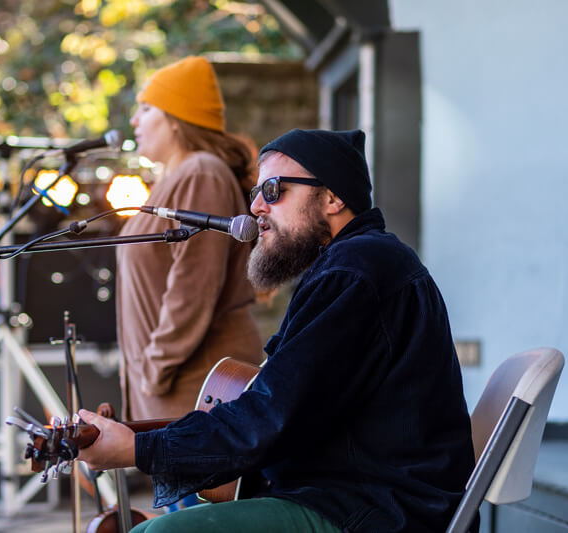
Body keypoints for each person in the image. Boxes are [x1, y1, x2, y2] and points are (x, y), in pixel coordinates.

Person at [78, 129, 477, 532]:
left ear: (332, 197)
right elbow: (291, 406)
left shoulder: (355, 270)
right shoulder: (356, 264)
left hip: (375, 511)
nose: (254, 207)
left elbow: (273, 415)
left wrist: (138, 449)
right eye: (255, 192)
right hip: (355, 498)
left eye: (272, 190)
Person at [116, 55, 263, 426]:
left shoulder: (201, 173)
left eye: (146, 109)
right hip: (174, 391)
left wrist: (155, 368)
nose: (134, 121)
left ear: (177, 120)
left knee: (190, 488)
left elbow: (193, 287)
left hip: (197, 391)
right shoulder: (176, 178)